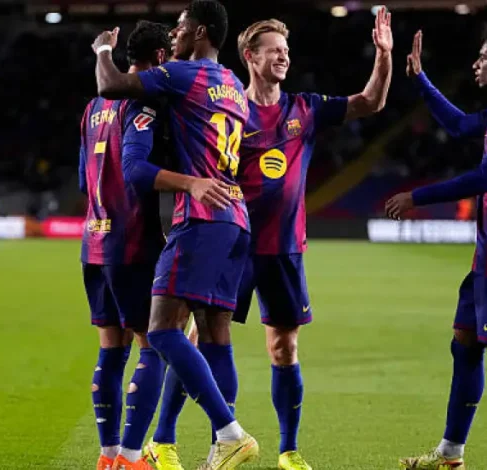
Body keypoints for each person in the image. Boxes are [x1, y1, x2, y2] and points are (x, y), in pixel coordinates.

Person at [146, 10, 393, 470]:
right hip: (231, 244)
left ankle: (288, 451)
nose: (284, 57)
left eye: (286, 50)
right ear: (250, 56)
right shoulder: (227, 107)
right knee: (196, 337)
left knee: (284, 348)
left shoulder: (306, 107)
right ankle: (165, 440)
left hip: (283, 248)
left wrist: (384, 56)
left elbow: (370, 102)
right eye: (274, 50)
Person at [92, 1, 260, 469]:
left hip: (201, 216)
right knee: (215, 335)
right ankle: (215, 450)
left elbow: (111, 86)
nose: (174, 36)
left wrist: (103, 49)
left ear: (199, 32)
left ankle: (229, 434)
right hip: (236, 217)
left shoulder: (184, 73)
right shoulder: (234, 85)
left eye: (181, 29)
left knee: (163, 330)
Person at [386, 24, 487, 470]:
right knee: (465, 343)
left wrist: (416, 197)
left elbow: (486, 176)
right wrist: (421, 79)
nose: (477, 63)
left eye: (484, 56)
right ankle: (450, 453)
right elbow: (460, 124)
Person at [79, 20, 173, 470]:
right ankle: (133, 458)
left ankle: (108, 455)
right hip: (132, 240)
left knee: (110, 348)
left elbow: (84, 180)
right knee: (154, 344)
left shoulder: (92, 107)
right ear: (160, 58)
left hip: (93, 241)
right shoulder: (143, 103)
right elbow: (137, 171)